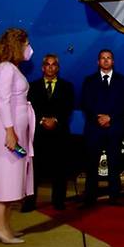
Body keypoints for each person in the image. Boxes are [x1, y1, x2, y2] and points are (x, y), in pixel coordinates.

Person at [0, 28, 35, 244]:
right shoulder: (5, 69)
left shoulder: (11, 68)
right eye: (26, 44)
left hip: (14, 131)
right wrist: (9, 132)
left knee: (14, 178)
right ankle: (1, 229)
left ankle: (3, 225)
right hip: (10, 133)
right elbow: (2, 101)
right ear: (17, 44)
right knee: (4, 179)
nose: (28, 48)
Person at [21, 54, 74, 212]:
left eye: (54, 65)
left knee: (60, 170)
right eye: (47, 64)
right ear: (42, 67)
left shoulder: (67, 87)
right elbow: (29, 107)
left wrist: (55, 120)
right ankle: (29, 202)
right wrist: (42, 120)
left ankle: (58, 201)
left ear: (57, 68)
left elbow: (68, 107)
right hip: (38, 134)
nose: (50, 67)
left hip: (60, 134)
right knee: (34, 170)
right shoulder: (32, 87)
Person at [80, 49, 124, 207]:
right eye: (103, 58)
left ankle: (114, 196)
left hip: (114, 128)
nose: (106, 60)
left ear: (113, 61)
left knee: (114, 163)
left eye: (109, 58)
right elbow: (85, 103)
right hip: (94, 129)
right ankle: (90, 197)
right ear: (98, 62)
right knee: (91, 163)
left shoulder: (123, 81)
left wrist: (111, 118)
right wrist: (99, 118)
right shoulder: (89, 80)